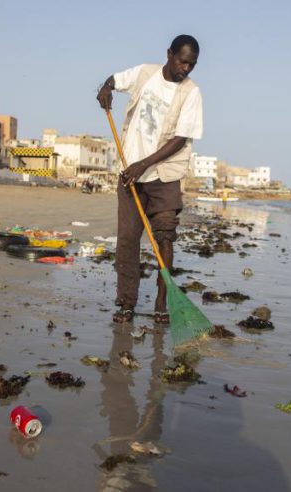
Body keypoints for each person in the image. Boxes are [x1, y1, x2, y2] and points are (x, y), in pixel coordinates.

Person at [96, 34, 203, 324]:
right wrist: (106, 88)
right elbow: (114, 80)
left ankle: (161, 303)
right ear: (169, 54)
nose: (186, 69)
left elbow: (180, 139)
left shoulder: (191, 92)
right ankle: (127, 303)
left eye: (192, 65)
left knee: (165, 237)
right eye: (183, 62)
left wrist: (143, 164)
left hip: (164, 176)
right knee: (128, 240)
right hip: (131, 176)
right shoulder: (145, 73)